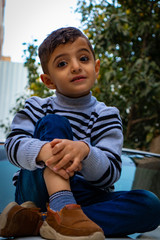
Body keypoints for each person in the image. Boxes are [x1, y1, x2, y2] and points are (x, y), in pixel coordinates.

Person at [1, 27, 160, 239]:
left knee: (150, 205)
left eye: (83, 58)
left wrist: (85, 152)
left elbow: (110, 173)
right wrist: (45, 151)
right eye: (62, 63)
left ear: (96, 68)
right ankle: (60, 207)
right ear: (48, 81)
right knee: (54, 123)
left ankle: (38, 222)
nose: (76, 67)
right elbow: (13, 146)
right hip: (36, 191)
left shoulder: (107, 114)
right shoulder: (37, 106)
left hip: (87, 198)